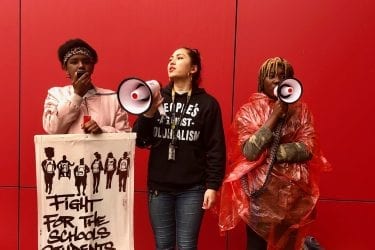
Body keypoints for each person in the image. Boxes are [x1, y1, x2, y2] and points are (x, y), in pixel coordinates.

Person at [218, 57, 331, 249]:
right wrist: (274, 116)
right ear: (262, 81)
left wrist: (271, 152)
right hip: (260, 198)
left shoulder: (301, 111)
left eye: (282, 76)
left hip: (292, 196)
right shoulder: (249, 111)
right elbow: (250, 151)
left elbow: (308, 148)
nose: (277, 80)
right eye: (271, 76)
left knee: (288, 245)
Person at [133, 47, 226, 249]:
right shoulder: (156, 97)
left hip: (192, 188)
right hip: (159, 188)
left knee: (186, 245)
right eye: (170, 58)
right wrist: (148, 113)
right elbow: (139, 141)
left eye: (179, 57)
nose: (172, 61)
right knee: (163, 245)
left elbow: (215, 147)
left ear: (193, 68)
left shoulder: (207, 104)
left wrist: (213, 186)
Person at [42, 38, 131, 134]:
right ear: (65, 68)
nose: (81, 66)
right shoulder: (56, 94)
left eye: (86, 62)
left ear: (92, 67)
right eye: (74, 62)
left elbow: (126, 136)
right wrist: (77, 95)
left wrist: (103, 131)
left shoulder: (113, 97)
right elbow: (52, 129)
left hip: (102, 149)